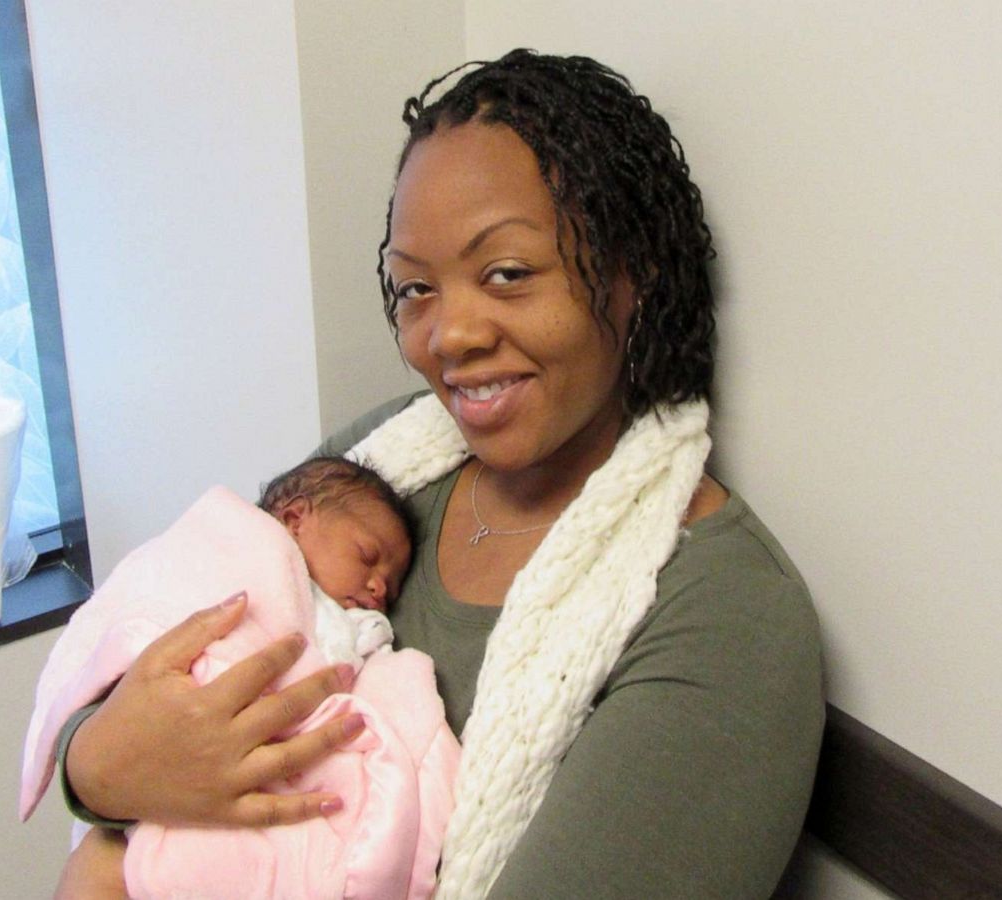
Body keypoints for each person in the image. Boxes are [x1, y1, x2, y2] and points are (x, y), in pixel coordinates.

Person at [55, 49, 824, 899]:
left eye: (506, 273)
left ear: (628, 276)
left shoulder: (724, 616)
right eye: (415, 288)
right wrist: (94, 769)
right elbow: (168, 642)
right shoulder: (379, 466)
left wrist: (107, 845)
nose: (449, 335)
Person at [23, 458, 457, 899]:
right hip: (155, 772)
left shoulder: (350, 623)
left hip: (252, 794)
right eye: (367, 558)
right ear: (294, 519)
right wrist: (95, 760)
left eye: (390, 585)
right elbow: (144, 605)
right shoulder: (237, 552)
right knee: (99, 865)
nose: (379, 587)